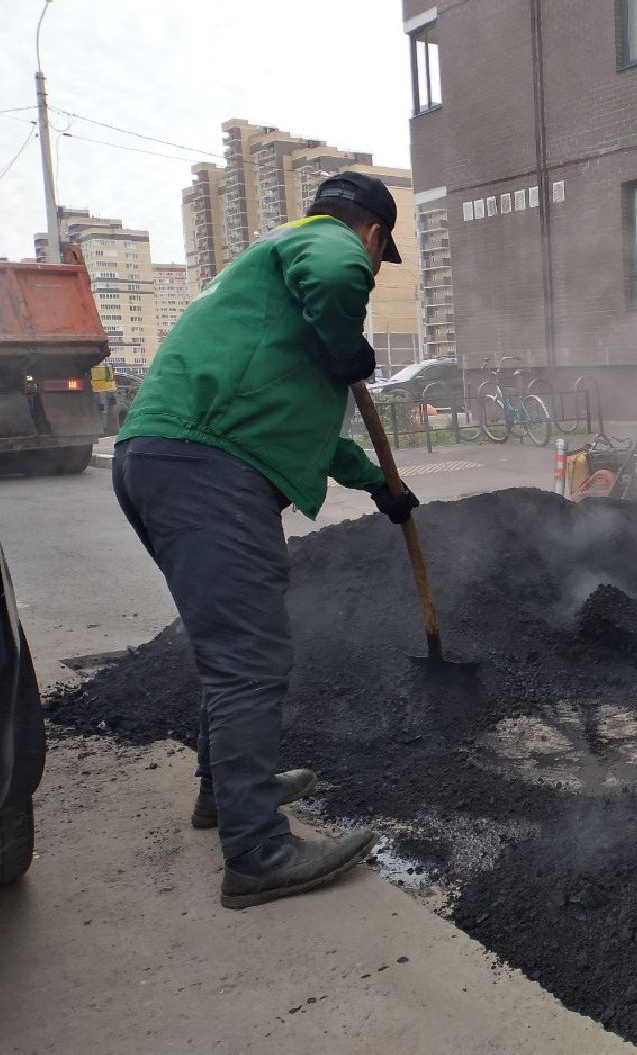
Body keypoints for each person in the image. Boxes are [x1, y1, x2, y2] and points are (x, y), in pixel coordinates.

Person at [112, 171, 419, 909]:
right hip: (207, 468)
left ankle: (226, 792)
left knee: (230, 649)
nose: (371, 272)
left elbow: (300, 431)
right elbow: (340, 271)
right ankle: (257, 852)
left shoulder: (273, 293)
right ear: (372, 234)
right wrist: (348, 341)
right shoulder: (324, 245)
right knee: (250, 658)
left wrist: (380, 483)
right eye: (378, 257)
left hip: (176, 458)